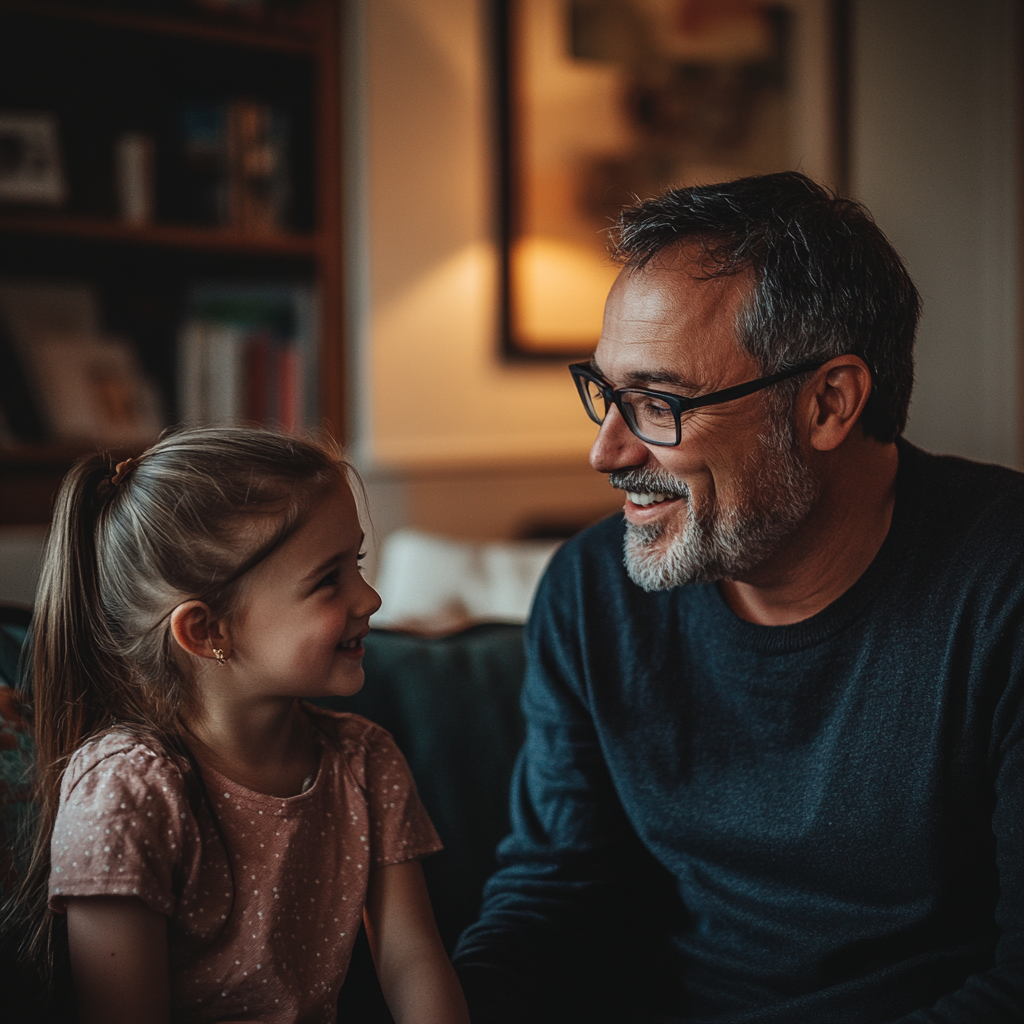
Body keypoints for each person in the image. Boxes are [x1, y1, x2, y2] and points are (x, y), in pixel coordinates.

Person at [453, 172, 1024, 1022]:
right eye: (608, 395)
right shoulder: (590, 591)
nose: (606, 453)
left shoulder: (1003, 588)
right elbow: (556, 896)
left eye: (657, 403)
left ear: (829, 403)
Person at [7, 427, 470, 1024]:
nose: (370, 597)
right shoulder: (127, 791)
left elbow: (412, 962)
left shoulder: (365, 760)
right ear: (207, 632)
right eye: (328, 579)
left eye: (354, 562)